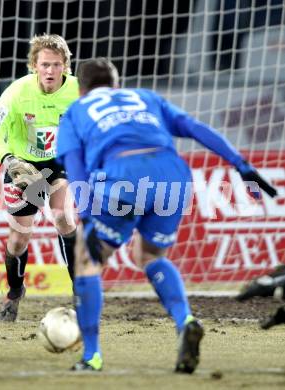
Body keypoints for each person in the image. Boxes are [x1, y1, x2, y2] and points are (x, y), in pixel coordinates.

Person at [56, 58, 277, 373]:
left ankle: (91, 356)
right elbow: (194, 127)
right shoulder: (146, 98)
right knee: (150, 255)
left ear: (81, 89)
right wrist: (240, 164)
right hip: (172, 175)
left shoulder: (76, 111)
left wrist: (89, 218)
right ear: (117, 84)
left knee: (87, 258)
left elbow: (75, 166)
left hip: (123, 173)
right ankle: (184, 320)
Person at [0, 34, 79, 321]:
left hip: (59, 163)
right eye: (45, 64)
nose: (50, 70)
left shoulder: (78, 92)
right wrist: (9, 159)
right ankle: (14, 292)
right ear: (34, 65)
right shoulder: (16, 93)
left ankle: (82, 293)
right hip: (23, 167)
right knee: (19, 240)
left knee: (63, 217)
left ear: (66, 67)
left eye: (56, 65)